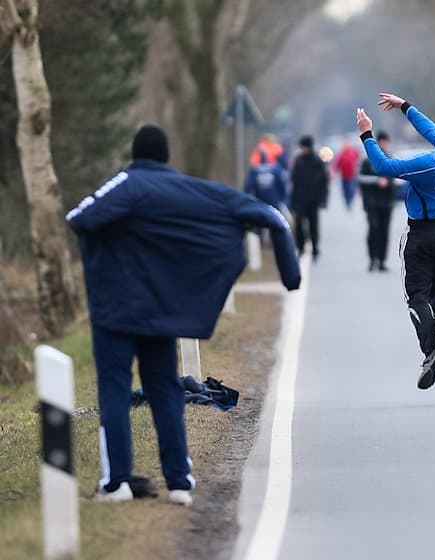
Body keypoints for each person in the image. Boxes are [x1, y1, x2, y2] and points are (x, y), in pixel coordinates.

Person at [66, 125, 301, 506]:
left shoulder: (126, 183)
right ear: (166, 156)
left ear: (135, 154)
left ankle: (117, 484)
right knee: (165, 390)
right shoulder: (191, 189)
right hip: (162, 310)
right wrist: (291, 274)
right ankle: (178, 483)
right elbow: (268, 214)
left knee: (114, 388)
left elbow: (80, 217)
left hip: (115, 311)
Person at [356, 93, 435, 390]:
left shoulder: (429, 164)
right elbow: (434, 132)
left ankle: (431, 351)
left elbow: (383, 167)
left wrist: (367, 134)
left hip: (421, 233)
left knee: (416, 296)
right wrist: (406, 107)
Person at [358, 131, 398, 272]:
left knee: (384, 231)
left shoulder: (390, 158)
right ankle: (372, 259)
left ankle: (382, 261)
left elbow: (395, 179)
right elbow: (360, 178)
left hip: (386, 202)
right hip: (371, 202)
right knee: (373, 229)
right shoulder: (367, 160)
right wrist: (376, 181)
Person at [290, 135, 329, 261]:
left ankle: (315, 248)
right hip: (300, 198)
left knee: (313, 225)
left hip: (314, 199)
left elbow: (324, 181)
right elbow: (294, 180)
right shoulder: (298, 160)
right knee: (299, 225)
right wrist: (293, 199)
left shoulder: (317, 161)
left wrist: (323, 199)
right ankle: (300, 247)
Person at [245, 148, 288, 212]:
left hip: (260, 202)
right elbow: (282, 185)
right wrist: (282, 198)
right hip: (274, 202)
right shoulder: (275, 168)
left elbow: (248, 186)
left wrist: (247, 200)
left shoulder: (255, 170)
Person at [333, 139, 361, 210]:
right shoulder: (341, 153)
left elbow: (359, 161)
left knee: (352, 190)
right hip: (344, 176)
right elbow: (338, 163)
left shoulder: (354, 151)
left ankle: (350, 201)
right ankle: (348, 202)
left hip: (353, 175)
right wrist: (335, 171)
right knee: (345, 190)